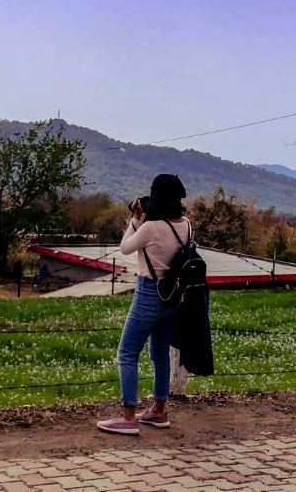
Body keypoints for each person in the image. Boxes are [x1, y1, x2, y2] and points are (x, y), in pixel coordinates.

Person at [96, 174, 190, 435]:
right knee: (159, 354)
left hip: (148, 293)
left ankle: (127, 417)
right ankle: (159, 412)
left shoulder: (151, 227)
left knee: (127, 353)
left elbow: (125, 247)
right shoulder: (186, 225)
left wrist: (136, 219)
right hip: (172, 297)